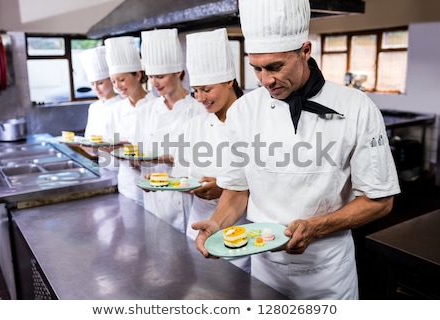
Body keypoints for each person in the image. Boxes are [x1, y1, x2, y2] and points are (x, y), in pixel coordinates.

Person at [193, 0, 401, 300]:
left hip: (327, 272)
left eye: (275, 67)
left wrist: (316, 227)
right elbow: (237, 189)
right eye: (257, 69)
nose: (265, 80)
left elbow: (380, 201)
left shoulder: (356, 108)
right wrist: (217, 223)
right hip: (264, 268)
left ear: (305, 50)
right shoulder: (244, 111)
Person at [171, 28, 250, 273]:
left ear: (229, 81)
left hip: (242, 227)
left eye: (207, 89)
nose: (200, 98)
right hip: (199, 225)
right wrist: (179, 184)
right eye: (195, 90)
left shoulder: (254, 121)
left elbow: (268, 182)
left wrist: (223, 186)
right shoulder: (193, 126)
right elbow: (180, 176)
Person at [135, 28, 206, 233]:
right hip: (153, 197)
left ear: (178, 72)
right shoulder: (146, 110)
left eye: (160, 76)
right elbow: (138, 151)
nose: (154, 83)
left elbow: (202, 160)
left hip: (185, 199)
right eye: (150, 76)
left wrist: (169, 159)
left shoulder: (198, 109)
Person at [104, 36, 156, 205]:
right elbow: (109, 147)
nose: (117, 86)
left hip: (155, 183)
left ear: (138, 75)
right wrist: (113, 149)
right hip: (127, 186)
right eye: (113, 81)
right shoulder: (114, 110)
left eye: (121, 79)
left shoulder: (157, 106)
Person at [78, 46, 121, 140]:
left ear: (111, 80)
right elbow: (88, 138)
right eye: (92, 84)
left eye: (100, 83)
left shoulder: (123, 104)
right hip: (99, 155)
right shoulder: (94, 108)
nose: (96, 88)